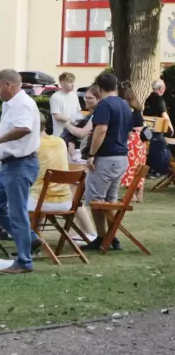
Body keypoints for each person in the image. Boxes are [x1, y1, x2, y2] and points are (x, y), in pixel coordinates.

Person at [0, 69, 42, 275]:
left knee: (17, 212)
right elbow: (13, 131)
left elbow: (24, 129)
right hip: (8, 165)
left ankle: (24, 261)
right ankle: (30, 238)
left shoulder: (23, 103)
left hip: (20, 164)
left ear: (9, 85)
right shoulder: (10, 105)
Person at [82, 72, 132, 252]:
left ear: (100, 88)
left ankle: (106, 237)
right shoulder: (125, 105)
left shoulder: (104, 105)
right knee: (109, 200)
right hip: (121, 157)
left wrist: (92, 153)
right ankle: (110, 237)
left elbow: (101, 130)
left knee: (96, 200)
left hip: (106, 157)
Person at [27, 113, 73, 212]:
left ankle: (26, 227)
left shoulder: (32, 145)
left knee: (7, 201)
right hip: (65, 201)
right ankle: (35, 227)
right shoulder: (60, 141)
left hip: (39, 201)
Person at [119, 82, 146, 203]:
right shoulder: (138, 109)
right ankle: (139, 194)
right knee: (139, 168)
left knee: (129, 168)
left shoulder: (125, 110)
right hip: (139, 142)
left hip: (130, 142)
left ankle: (132, 195)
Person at [144, 79, 172, 177]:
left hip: (148, 130)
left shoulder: (148, 98)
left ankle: (151, 170)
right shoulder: (159, 99)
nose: (164, 89)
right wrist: (171, 127)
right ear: (160, 88)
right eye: (164, 87)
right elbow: (164, 114)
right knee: (162, 149)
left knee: (153, 149)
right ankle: (160, 171)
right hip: (158, 129)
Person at [50, 72, 81, 136]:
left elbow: (78, 111)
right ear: (62, 83)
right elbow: (57, 116)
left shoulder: (74, 95)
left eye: (73, 82)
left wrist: (78, 121)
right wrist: (71, 120)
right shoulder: (55, 97)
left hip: (73, 133)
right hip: (60, 134)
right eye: (69, 82)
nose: (72, 84)